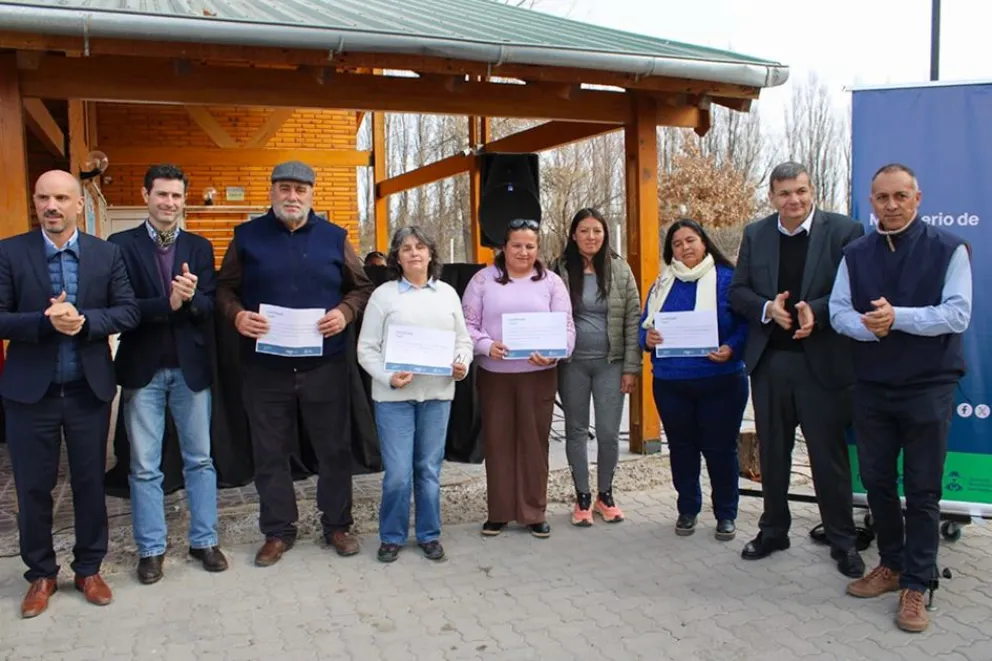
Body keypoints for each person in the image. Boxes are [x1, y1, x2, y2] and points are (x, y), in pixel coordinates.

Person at [830, 164, 972, 633]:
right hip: (872, 385)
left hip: (928, 385)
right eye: (882, 197)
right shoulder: (855, 254)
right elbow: (838, 312)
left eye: (900, 196)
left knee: (923, 488)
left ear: (917, 198)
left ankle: (917, 582)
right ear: (871, 202)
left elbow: (957, 314)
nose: (891, 205)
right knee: (877, 482)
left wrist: (898, 318)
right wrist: (869, 328)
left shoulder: (949, 249)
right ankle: (890, 564)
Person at [216, 161, 374, 566]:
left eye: (300, 190)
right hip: (265, 368)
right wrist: (236, 315)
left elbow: (361, 288)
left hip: (324, 366)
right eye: (285, 188)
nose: (292, 196)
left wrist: (345, 313)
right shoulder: (246, 237)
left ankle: (337, 525)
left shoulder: (335, 238)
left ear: (311, 194)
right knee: (269, 451)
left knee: (334, 449)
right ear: (272, 191)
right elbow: (223, 289)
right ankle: (278, 531)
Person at [0, 170, 139, 618]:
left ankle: (89, 569)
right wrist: (44, 322)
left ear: (80, 204)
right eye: (43, 198)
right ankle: (41, 574)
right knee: (33, 487)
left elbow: (127, 311)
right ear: (35, 202)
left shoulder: (106, 254)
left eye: (61, 198)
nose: (51, 206)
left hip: (87, 390)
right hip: (30, 394)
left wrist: (85, 322)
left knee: (89, 483)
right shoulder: (10, 252)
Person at [729, 162, 866, 577]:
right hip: (771, 362)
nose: (795, 200)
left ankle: (843, 539)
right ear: (772, 196)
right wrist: (767, 308)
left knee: (828, 457)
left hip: (822, 363)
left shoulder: (845, 231)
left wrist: (816, 312)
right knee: (772, 453)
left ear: (813, 190)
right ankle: (774, 530)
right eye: (785, 193)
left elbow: (856, 289)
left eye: (801, 191)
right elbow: (738, 292)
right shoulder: (756, 234)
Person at [109, 164, 226, 584]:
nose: (169, 203)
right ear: (146, 196)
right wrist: (168, 304)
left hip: (189, 370)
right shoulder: (120, 245)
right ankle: (151, 550)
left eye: (176, 196)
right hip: (143, 369)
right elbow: (121, 307)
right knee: (144, 466)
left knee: (200, 460)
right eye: (162, 194)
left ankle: (204, 541)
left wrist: (192, 299)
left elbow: (210, 307)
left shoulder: (199, 246)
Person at [357, 226, 473, 563]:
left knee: (429, 471)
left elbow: (463, 341)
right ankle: (391, 536)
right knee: (397, 474)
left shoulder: (447, 294)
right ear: (396, 257)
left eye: (420, 247)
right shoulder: (384, 296)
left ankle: (429, 534)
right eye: (406, 248)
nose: (414, 253)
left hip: (437, 396)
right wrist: (388, 377)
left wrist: (462, 364)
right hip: (393, 399)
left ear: (431, 253)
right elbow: (366, 349)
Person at [462, 218, 575, 538]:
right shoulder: (483, 280)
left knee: (534, 443)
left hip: (538, 376)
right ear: (504, 247)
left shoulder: (552, 283)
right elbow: (467, 325)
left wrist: (554, 353)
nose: (523, 252)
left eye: (530, 246)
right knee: (498, 442)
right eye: (517, 245)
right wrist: (486, 345)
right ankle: (499, 512)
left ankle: (533, 511)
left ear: (538, 248)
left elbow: (567, 327)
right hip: (495, 375)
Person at [640, 219, 749, 539]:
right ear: (670, 251)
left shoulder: (728, 280)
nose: (685, 247)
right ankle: (687, 509)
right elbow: (644, 326)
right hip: (671, 384)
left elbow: (747, 324)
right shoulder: (662, 284)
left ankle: (726, 513)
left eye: (690, 240)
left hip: (721, 382)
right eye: (677, 243)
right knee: (682, 449)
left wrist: (732, 348)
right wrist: (647, 339)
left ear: (704, 242)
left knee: (720, 450)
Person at [550, 208, 641, 526]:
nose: (591, 237)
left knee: (608, 433)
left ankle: (605, 494)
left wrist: (631, 367)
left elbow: (633, 318)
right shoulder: (559, 270)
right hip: (571, 364)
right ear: (573, 235)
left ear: (605, 235)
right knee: (575, 431)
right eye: (584, 231)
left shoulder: (620, 269)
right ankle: (583, 497)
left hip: (611, 364)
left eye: (597, 231)